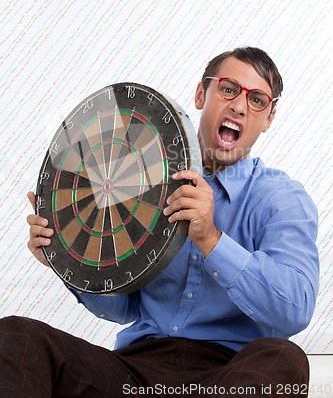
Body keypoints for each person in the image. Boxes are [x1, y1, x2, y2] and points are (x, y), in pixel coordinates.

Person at [0, 47, 319, 397]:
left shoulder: (281, 199)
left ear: (269, 117)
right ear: (202, 94)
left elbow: (295, 309)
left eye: (257, 99)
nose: (239, 106)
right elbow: (124, 307)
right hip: (135, 373)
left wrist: (212, 240)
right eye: (228, 89)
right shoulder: (140, 180)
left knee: (285, 360)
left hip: (231, 373)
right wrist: (65, 257)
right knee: (16, 337)